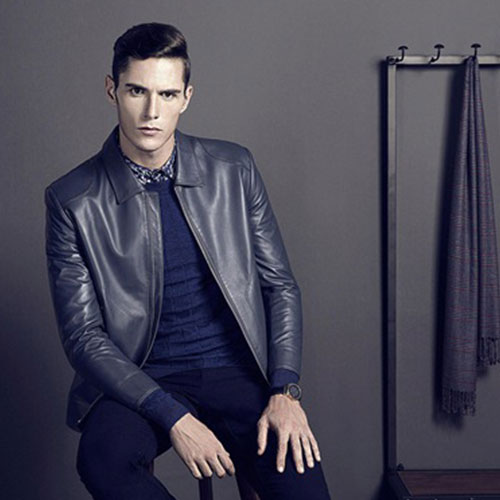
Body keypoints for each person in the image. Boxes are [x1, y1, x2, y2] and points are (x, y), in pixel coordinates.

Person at [44, 22, 331, 500]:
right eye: (137, 91)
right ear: (112, 90)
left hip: (235, 370)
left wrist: (285, 391)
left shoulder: (234, 169)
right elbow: (82, 337)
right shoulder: (72, 199)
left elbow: (279, 285)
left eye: (167, 94)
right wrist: (172, 414)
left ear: (186, 97)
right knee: (103, 460)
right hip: (139, 374)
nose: (151, 112)